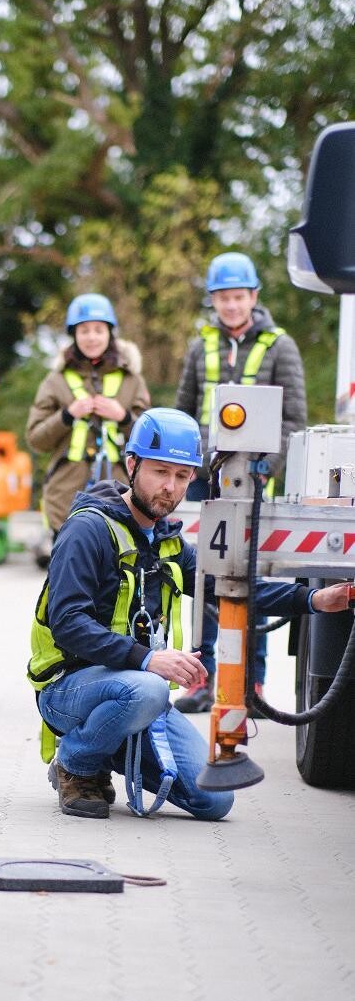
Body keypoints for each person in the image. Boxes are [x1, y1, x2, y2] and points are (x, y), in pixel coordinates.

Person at [27, 408, 350, 820]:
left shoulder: (168, 543)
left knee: (214, 801)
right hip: (68, 688)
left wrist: (312, 600)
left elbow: (231, 586)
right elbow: (67, 623)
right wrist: (148, 658)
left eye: (182, 476)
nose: (170, 487)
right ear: (132, 465)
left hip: (132, 692)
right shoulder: (88, 530)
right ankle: (77, 763)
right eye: (160, 472)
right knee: (149, 689)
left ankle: (106, 744)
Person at [174, 252, 307, 714]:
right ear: (213, 300)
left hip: (253, 483)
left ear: (254, 296)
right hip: (204, 481)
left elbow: (293, 419)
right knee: (202, 579)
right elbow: (184, 411)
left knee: (252, 580)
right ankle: (201, 680)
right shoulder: (200, 347)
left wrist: (265, 467)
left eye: (238, 297)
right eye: (223, 298)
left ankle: (253, 683)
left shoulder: (279, 346)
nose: (231, 305)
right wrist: (189, 465)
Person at [26, 293, 150, 536]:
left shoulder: (132, 380)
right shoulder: (55, 381)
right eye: (84, 330)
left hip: (121, 496)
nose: (91, 337)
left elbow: (151, 440)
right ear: (74, 335)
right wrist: (67, 415)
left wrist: (123, 417)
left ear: (109, 333)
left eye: (98, 330)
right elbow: (36, 440)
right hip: (65, 499)